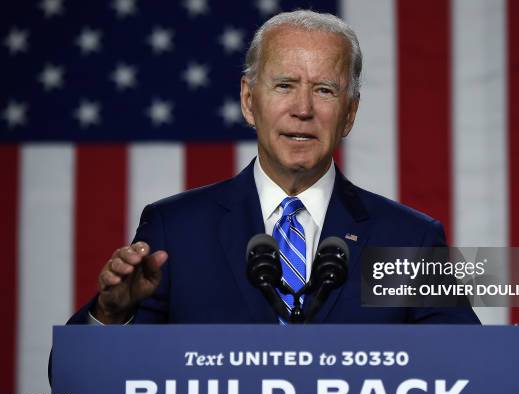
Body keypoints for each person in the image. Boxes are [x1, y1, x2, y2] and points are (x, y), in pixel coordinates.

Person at [67, 10, 480, 326]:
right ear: (249, 101)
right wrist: (110, 314)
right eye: (284, 86)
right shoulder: (174, 230)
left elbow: (470, 374)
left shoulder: (409, 240)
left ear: (349, 114)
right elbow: (78, 381)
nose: (302, 110)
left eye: (324, 90)